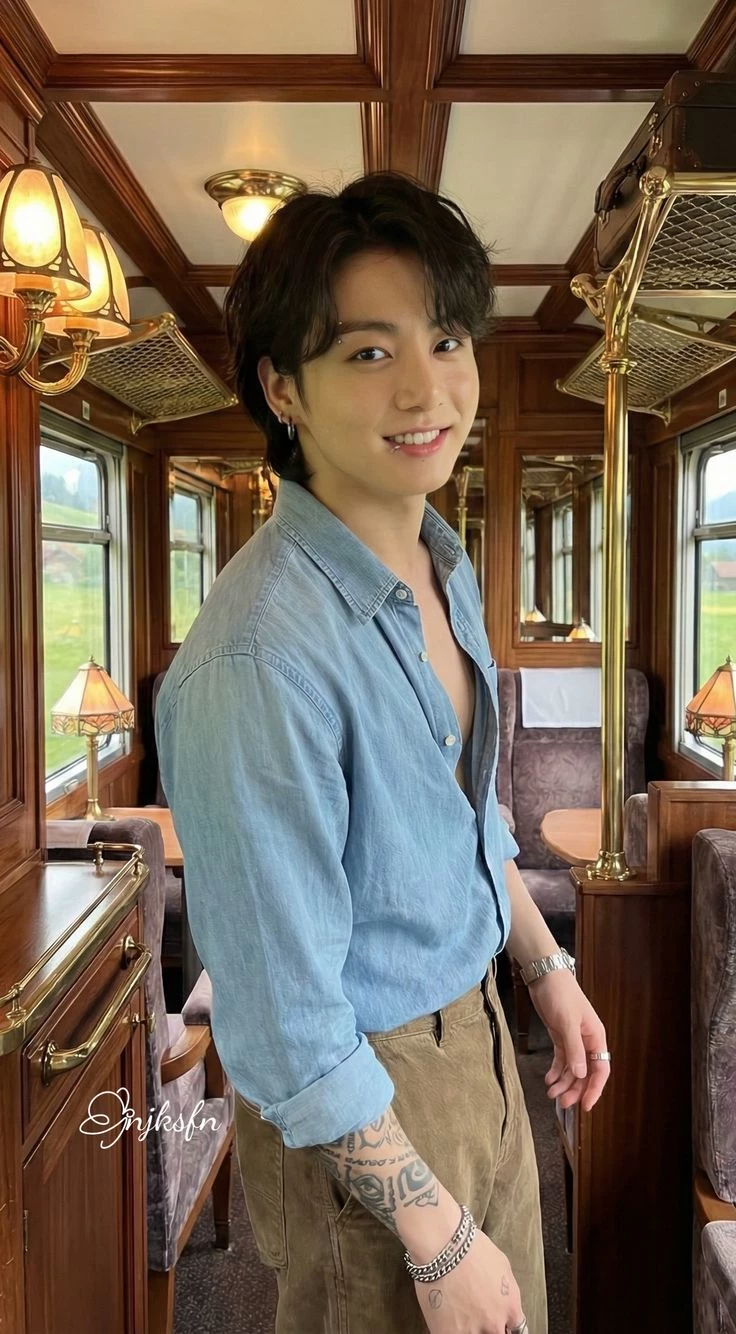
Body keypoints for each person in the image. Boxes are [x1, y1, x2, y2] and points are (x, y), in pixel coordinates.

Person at [155, 171, 610, 1334]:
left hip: (483, 1046)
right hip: (366, 1107)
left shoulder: (442, 567)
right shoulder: (257, 657)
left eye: (445, 339)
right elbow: (286, 1018)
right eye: (368, 351)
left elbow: (465, 821)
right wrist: (435, 1231)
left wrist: (543, 968)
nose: (425, 388)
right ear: (282, 389)